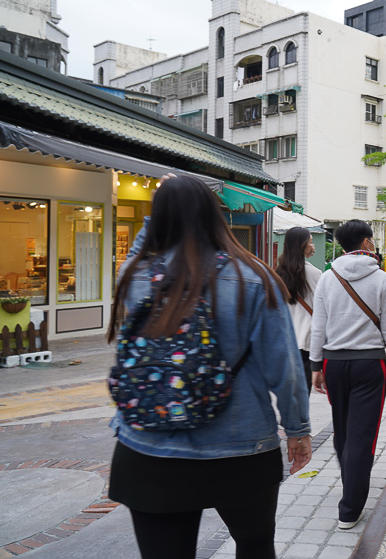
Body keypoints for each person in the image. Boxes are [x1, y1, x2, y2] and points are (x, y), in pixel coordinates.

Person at [106, 175, 311, 559]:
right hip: (240, 450)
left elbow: (139, 252)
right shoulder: (255, 278)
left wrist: (161, 209)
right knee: (254, 547)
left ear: (157, 219)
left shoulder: (136, 276)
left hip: (148, 449)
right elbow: (283, 368)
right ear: (215, 217)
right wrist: (298, 429)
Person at [309, 219, 386, 529]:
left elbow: (318, 326)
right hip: (369, 365)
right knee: (362, 436)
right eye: (372, 239)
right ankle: (350, 508)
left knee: (343, 431)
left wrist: (315, 365)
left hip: (333, 365)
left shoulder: (327, 277)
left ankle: (350, 484)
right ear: (366, 242)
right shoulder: (380, 278)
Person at [275, 226, 323, 394]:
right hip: (306, 344)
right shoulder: (315, 274)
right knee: (302, 395)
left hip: (284, 342)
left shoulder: (277, 273)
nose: (313, 246)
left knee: (287, 395)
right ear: (302, 246)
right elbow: (323, 311)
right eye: (310, 242)